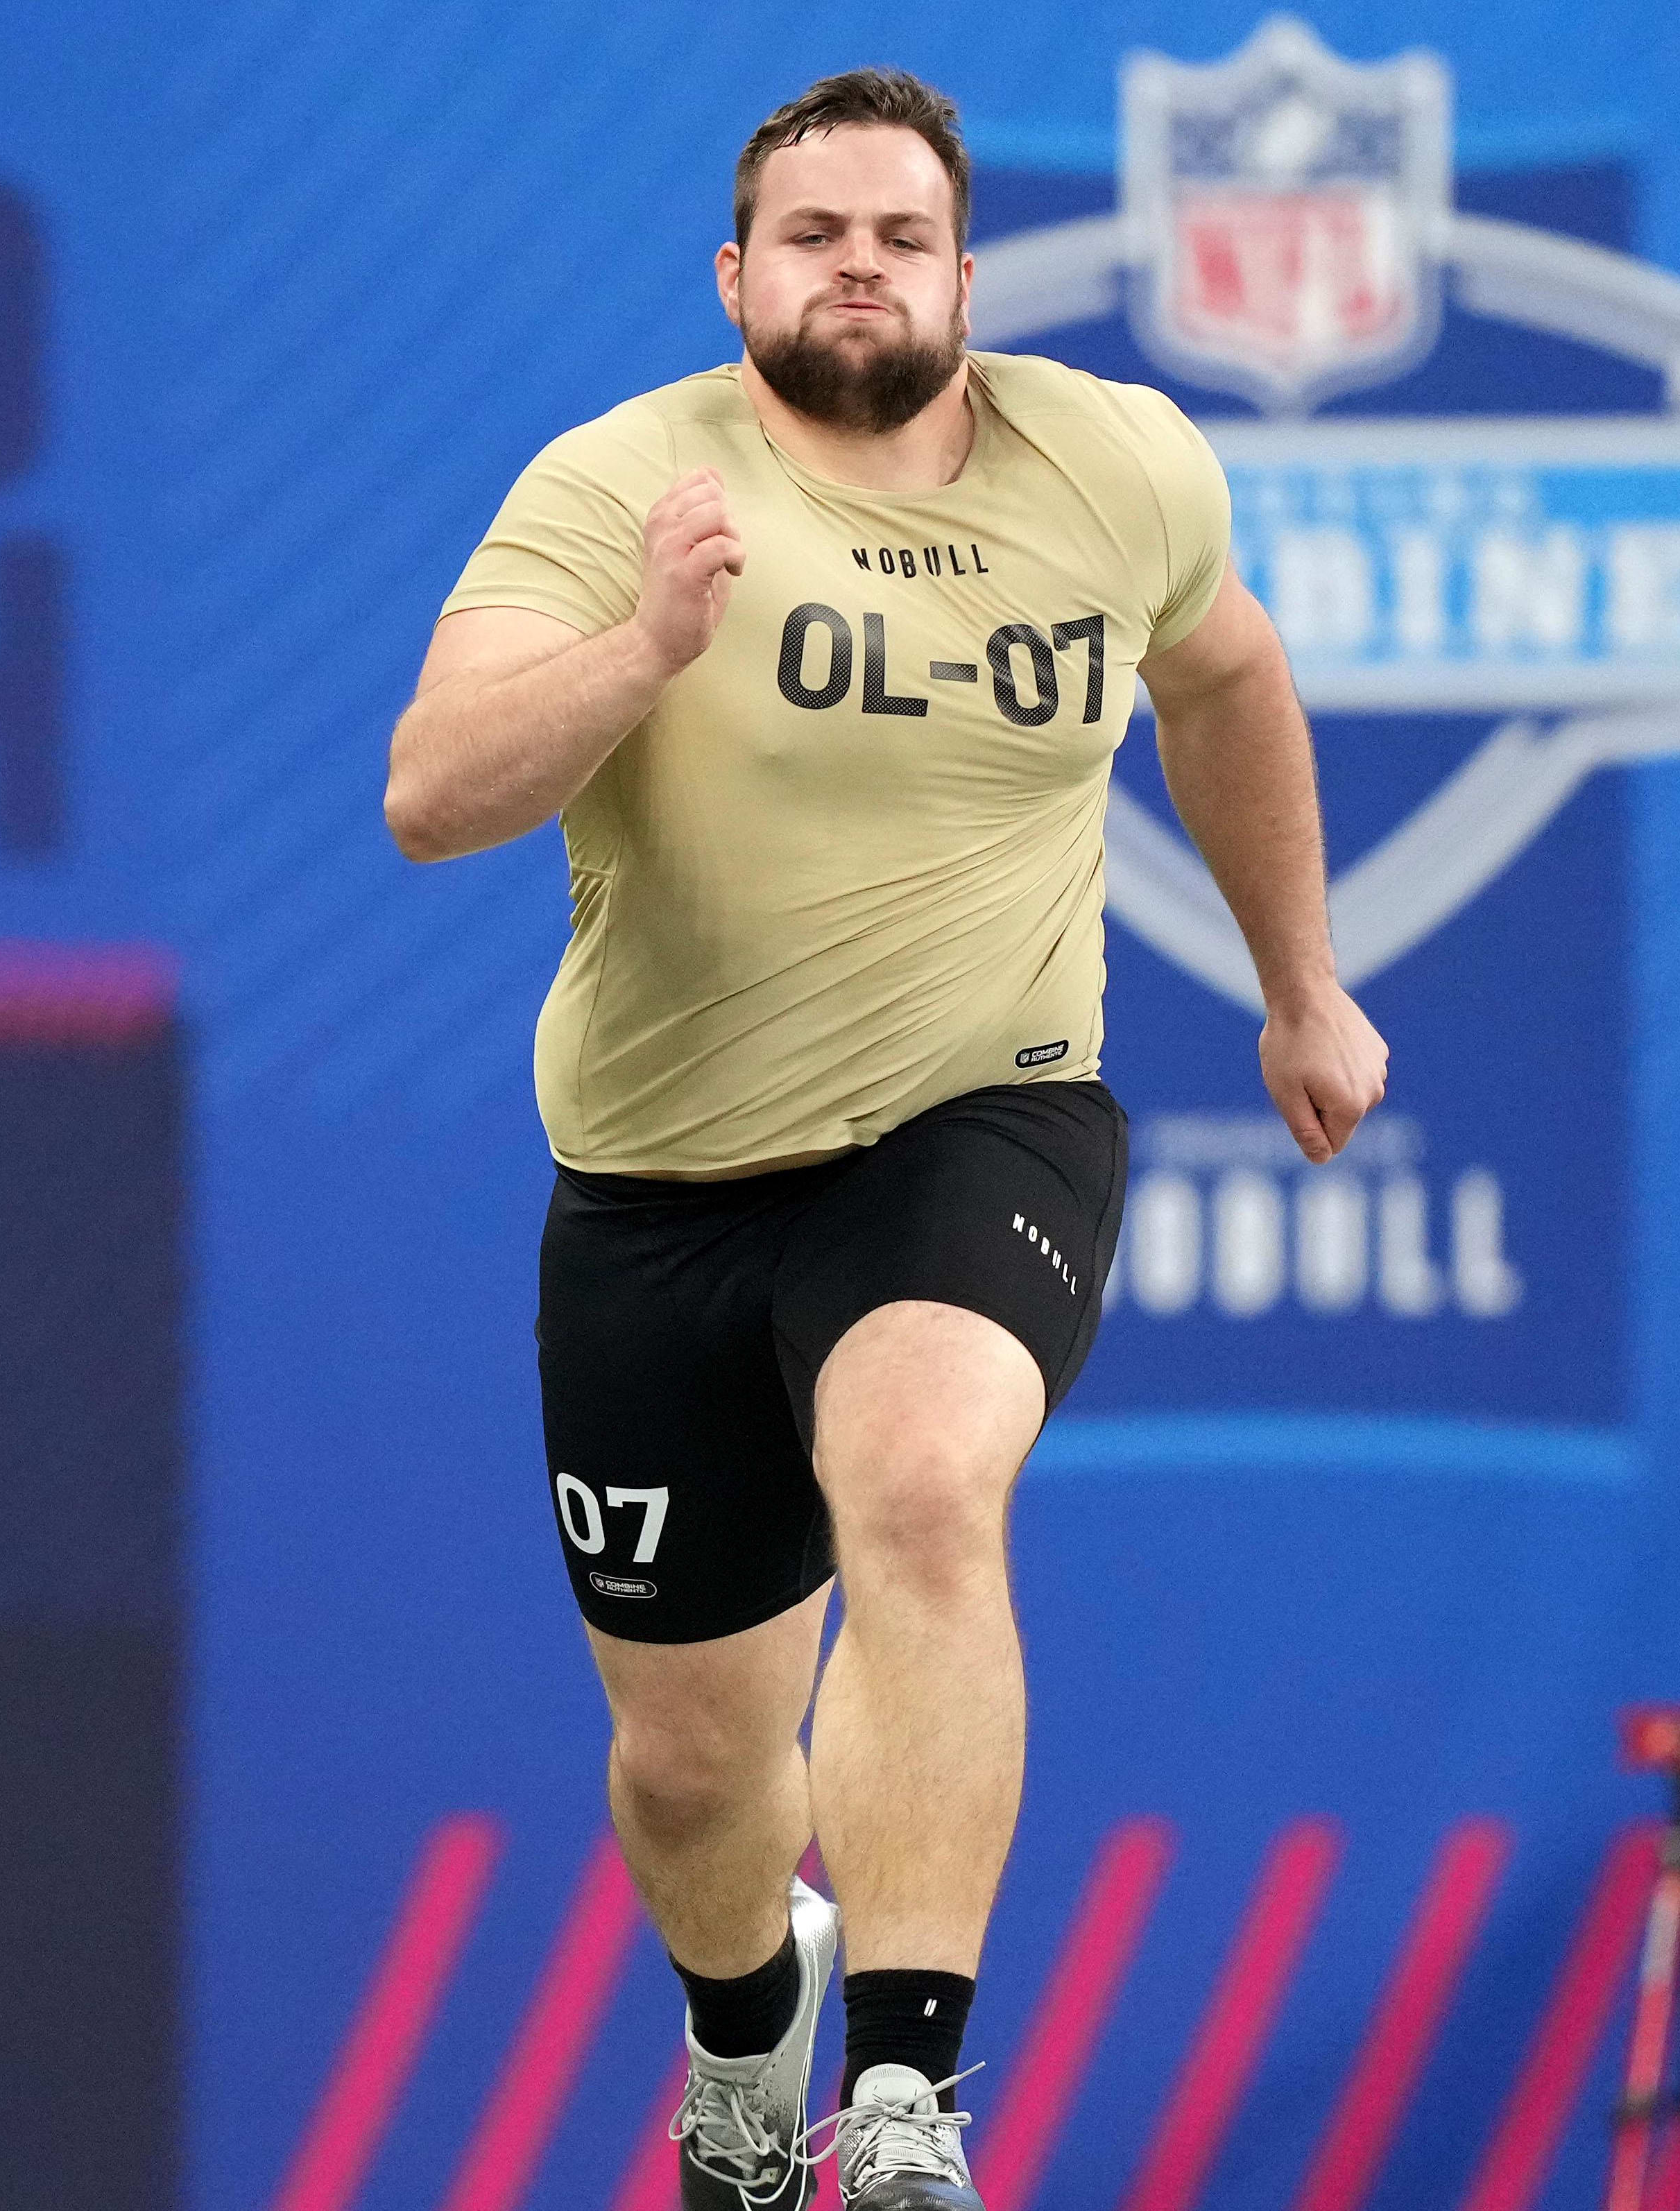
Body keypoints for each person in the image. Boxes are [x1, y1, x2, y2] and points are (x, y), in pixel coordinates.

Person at [381, 65, 1387, 2211]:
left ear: (962, 271)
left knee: (925, 1486)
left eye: (900, 236)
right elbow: (432, 791)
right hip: (659, 1182)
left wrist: (1301, 980)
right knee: (688, 1768)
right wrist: (646, 642)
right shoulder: (622, 478)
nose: (859, 271)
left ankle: (905, 2091)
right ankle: (745, 2025)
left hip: (978, 1109)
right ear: (737, 276)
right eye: (814, 238)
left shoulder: (1107, 460)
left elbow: (1220, 680)